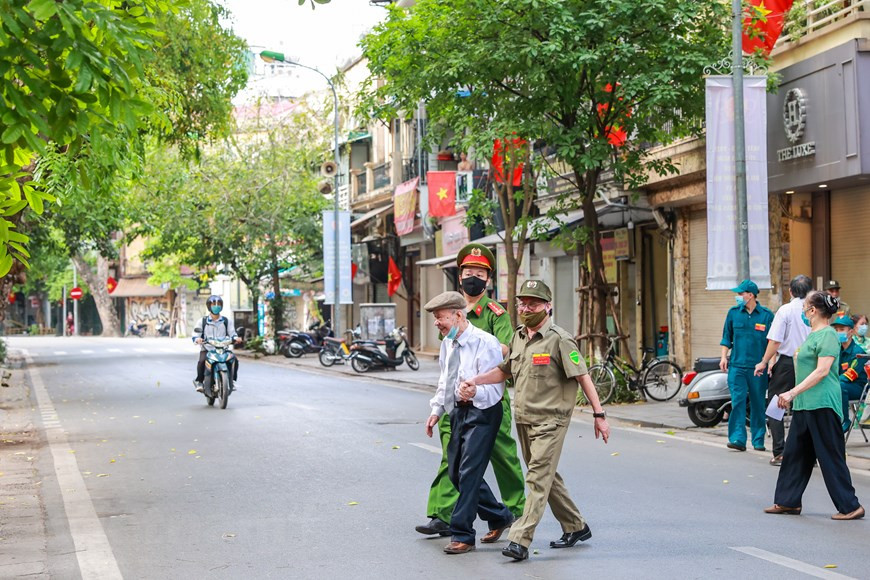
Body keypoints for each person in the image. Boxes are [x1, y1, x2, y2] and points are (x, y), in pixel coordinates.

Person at [460, 280, 610, 561]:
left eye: (534, 304)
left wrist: (599, 414)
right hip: (524, 419)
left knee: (537, 479)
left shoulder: (560, 339)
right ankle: (576, 526)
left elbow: (583, 376)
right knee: (546, 475)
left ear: (548, 306)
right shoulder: (518, 337)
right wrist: (476, 381)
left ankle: (520, 539)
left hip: (551, 421)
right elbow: (504, 371)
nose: (527, 309)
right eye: (523, 303)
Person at [416, 243, 526, 538]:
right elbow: (444, 371)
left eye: (479, 272)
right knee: (451, 459)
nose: (472, 277)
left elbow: (506, 349)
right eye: (468, 272)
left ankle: (515, 511)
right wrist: (438, 406)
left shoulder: (493, 313)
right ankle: (443, 513)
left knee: (503, 456)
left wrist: (476, 342)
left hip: (487, 399)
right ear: (459, 275)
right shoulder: (449, 312)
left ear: (488, 279)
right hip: (455, 402)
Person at [423, 291, 514, 555]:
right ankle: (499, 515)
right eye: (436, 319)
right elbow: (445, 380)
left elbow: (497, 386)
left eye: (440, 318)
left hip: (484, 412)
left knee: (469, 473)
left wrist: (475, 392)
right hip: (457, 412)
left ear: (458, 315)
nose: (437, 323)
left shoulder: (486, 343)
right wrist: (436, 410)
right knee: (455, 472)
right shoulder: (447, 343)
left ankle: (462, 533)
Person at [766, 291, 864, 520]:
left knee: (830, 455)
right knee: (794, 454)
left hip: (821, 404)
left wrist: (791, 392)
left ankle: (850, 506)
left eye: (805, 307)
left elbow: (822, 372)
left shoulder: (828, 335)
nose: (802, 311)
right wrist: (793, 395)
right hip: (804, 405)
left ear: (813, 311)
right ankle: (788, 501)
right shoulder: (812, 335)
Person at [754, 275, 812, 466]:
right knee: (807, 407)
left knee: (776, 406)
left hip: (787, 364)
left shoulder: (785, 310)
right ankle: (809, 454)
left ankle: (780, 452)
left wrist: (763, 361)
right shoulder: (816, 310)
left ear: (791, 291)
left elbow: (775, 340)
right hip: (811, 364)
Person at [720, 279, 775, 452]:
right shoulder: (733, 313)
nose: (738, 296)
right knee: (737, 402)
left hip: (758, 367)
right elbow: (726, 338)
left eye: (740, 293)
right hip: (737, 366)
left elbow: (773, 342)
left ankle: (758, 439)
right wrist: (723, 357)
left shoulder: (766, 315)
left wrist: (770, 363)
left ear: (750, 295)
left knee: (758, 403)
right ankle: (737, 438)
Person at [192, 295, 240, 392]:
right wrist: (198, 339)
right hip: (207, 349)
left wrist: (236, 338)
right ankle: (199, 381)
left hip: (223, 349)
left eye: (219, 304)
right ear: (209, 306)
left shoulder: (226, 321)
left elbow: (232, 333)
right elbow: (195, 334)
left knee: (234, 360)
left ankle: (232, 381)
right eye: (214, 304)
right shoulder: (203, 321)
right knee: (202, 361)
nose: (216, 306)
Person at [833, 314, 866, 432]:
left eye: (841, 329)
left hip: (858, 387)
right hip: (839, 385)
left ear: (851, 332)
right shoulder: (836, 350)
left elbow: (849, 375)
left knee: (839, 386)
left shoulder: (858, 352)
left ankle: (845, 420)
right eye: (836, 330)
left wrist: (832, 381)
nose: (838, 332)